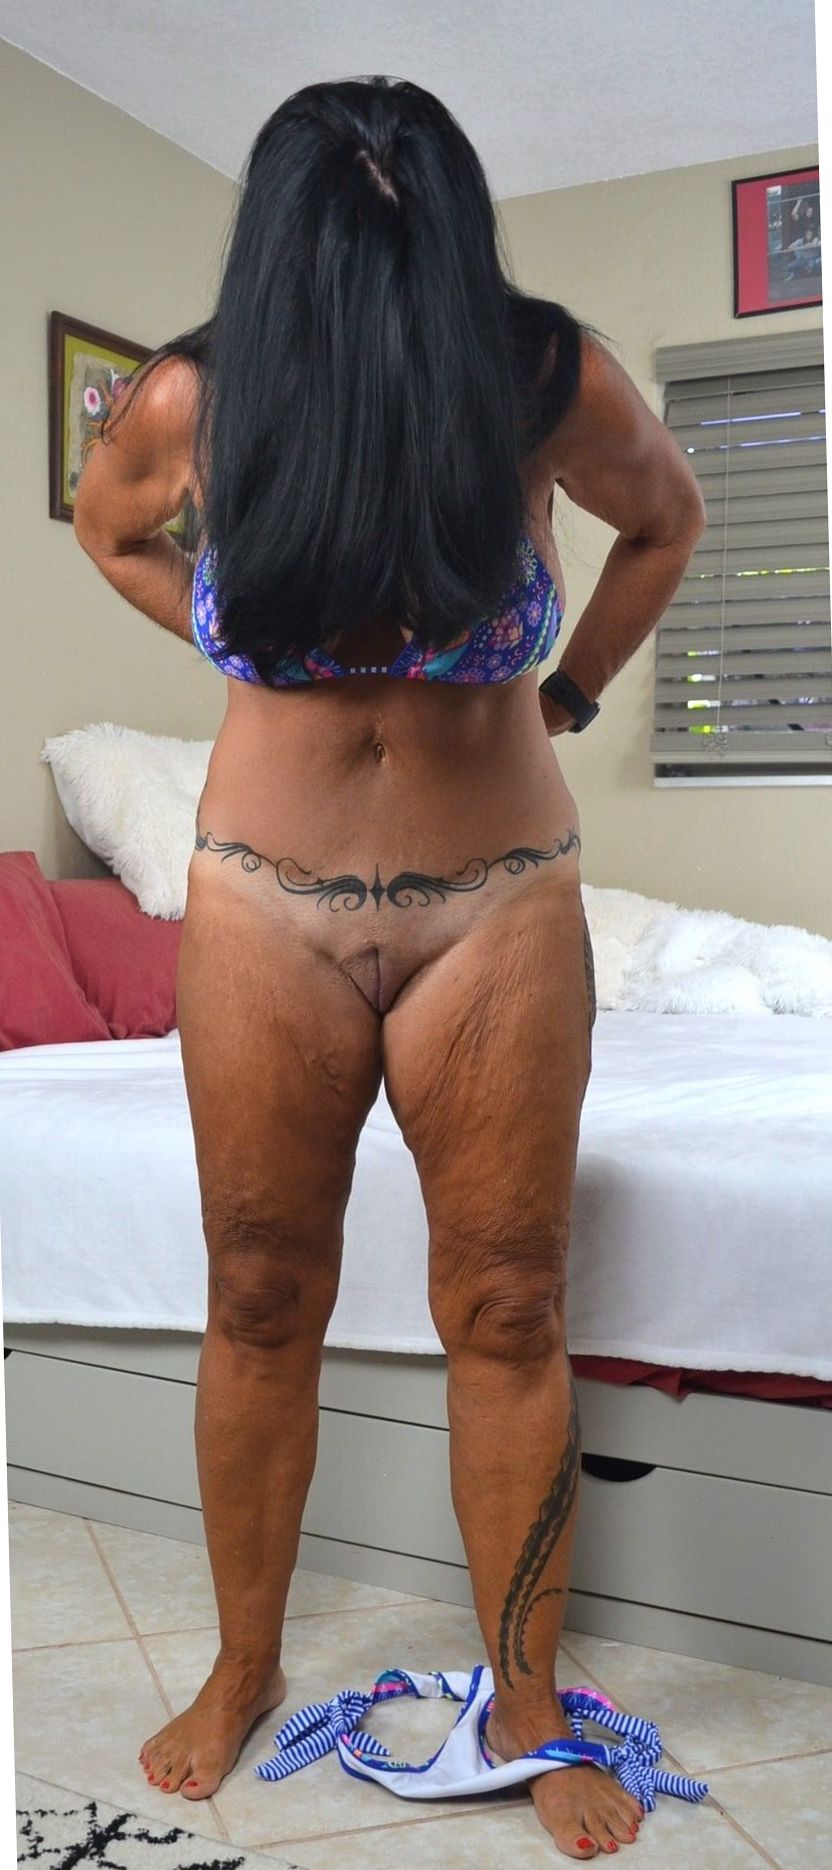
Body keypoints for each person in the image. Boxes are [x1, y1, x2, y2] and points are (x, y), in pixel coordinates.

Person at [73, 75, 705, 1863]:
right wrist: (228, 635)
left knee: (506, 1305)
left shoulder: (538, 377)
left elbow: (666, 520)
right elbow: (108, 527)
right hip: (257, 906)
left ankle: (528, 1704)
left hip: (495, 905)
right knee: (260, 1289)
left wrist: (570, 691)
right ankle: (245, 1662)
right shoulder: (192, 400)